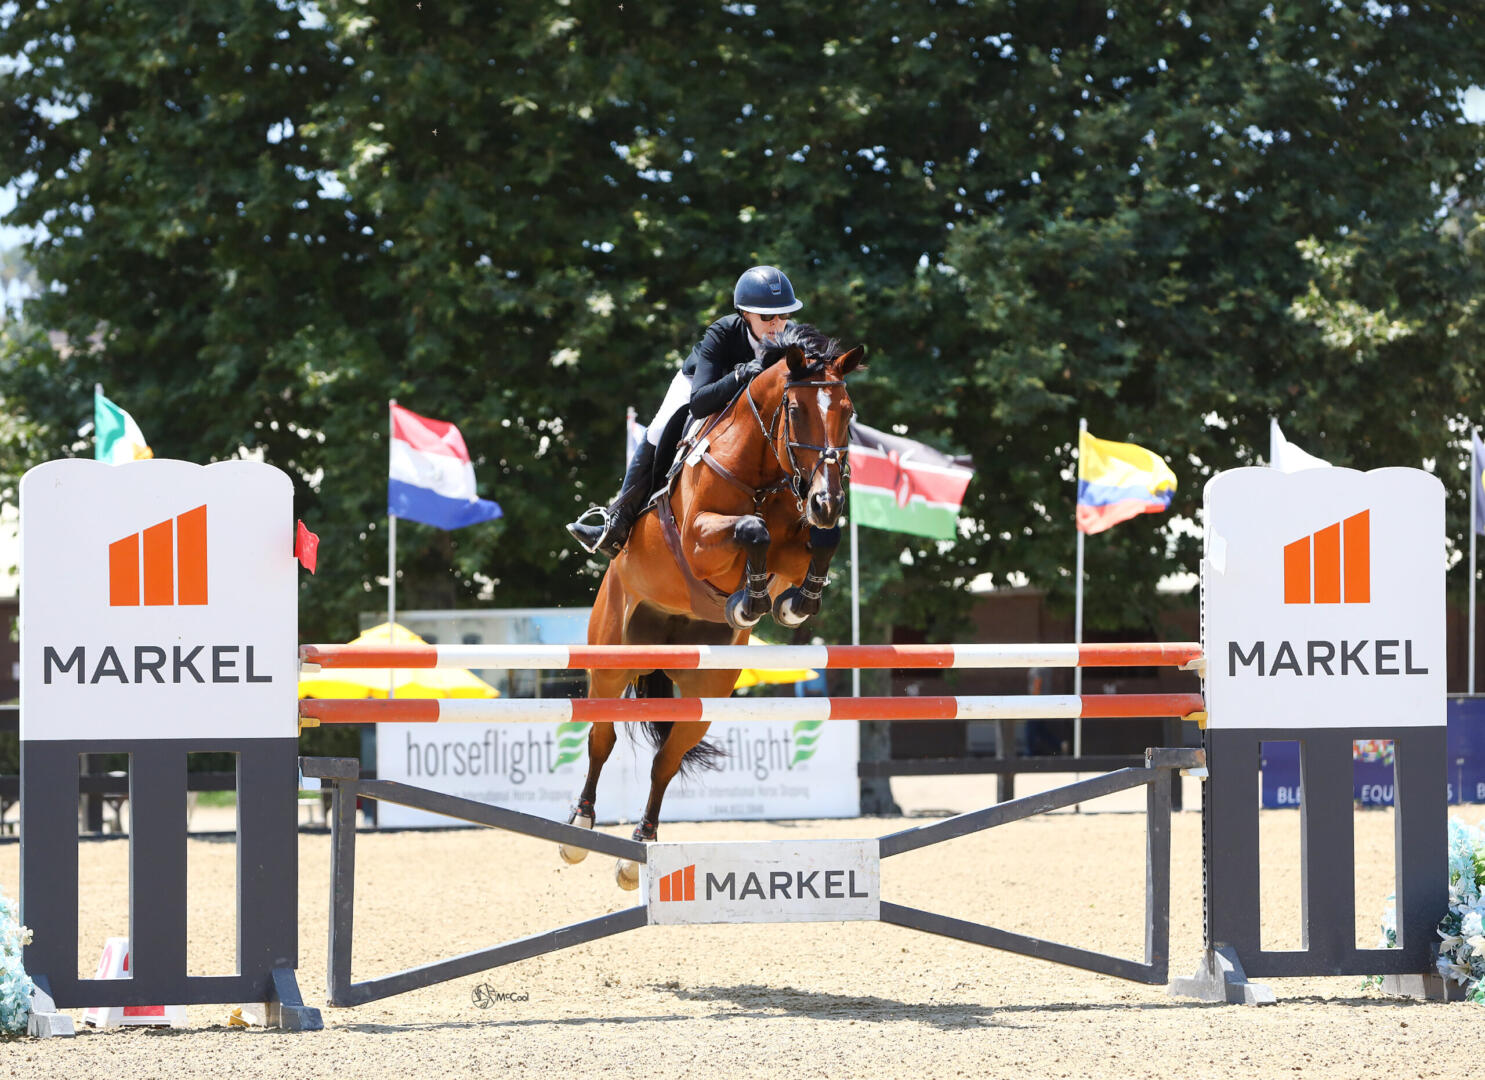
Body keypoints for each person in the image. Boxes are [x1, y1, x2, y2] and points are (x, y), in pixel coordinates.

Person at [566, 265, 804, 557]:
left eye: (784, 314)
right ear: (745, 314)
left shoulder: (791, 337)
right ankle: (616, 522)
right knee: (659, 426)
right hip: (702, 385)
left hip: (751, 403)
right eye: (766, 316)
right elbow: (701, 402)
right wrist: (740, 375)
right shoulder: (722, 333)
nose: (776, 324)